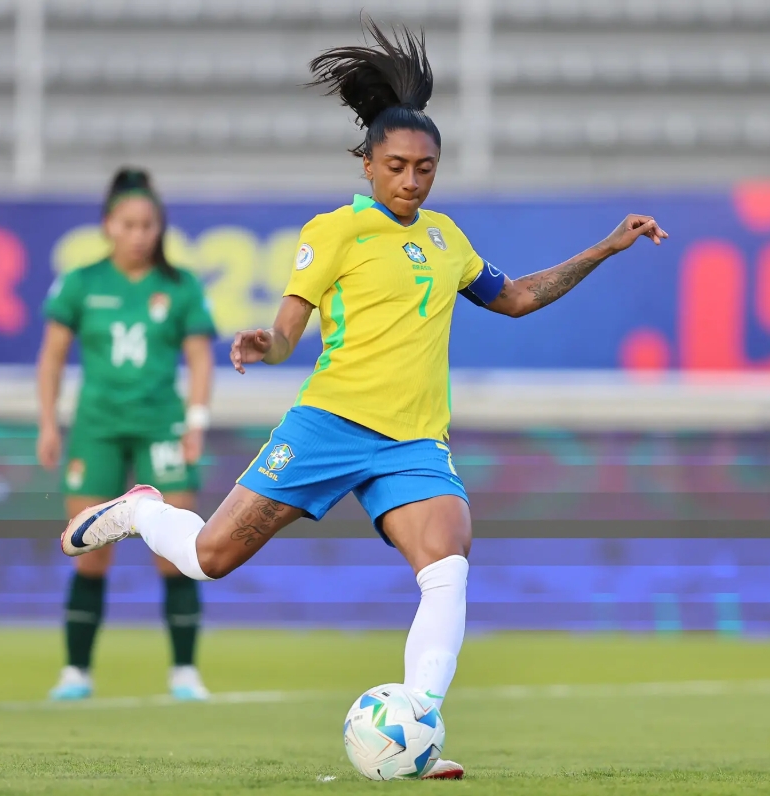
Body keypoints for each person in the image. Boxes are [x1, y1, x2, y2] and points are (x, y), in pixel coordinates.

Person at [57, 21, 668, 778]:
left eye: (425, 168)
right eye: (397, 166)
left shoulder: (447, 240)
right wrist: (262, 345)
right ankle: (144, 510)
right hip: (331, 425)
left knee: (447, 559)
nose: (412, 181)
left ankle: (416, 725)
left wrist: (604, 248)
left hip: (412, 441)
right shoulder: (336, 231)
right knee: (207, 561)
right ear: (368, 163)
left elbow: (512, 298)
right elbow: (288, 331)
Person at [37, 168, 216, 701]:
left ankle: (184, 672)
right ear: (108, 226)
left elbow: (201, 358)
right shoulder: (81, 282)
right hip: (97, 429)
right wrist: (49, 420)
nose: (140, 234)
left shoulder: (179, 286)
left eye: (149, 225)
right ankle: (76, 673)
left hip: (161, 425)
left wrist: (196, 421)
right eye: (129, 224)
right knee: (90, 549)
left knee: (177, 549)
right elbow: (51, 358)